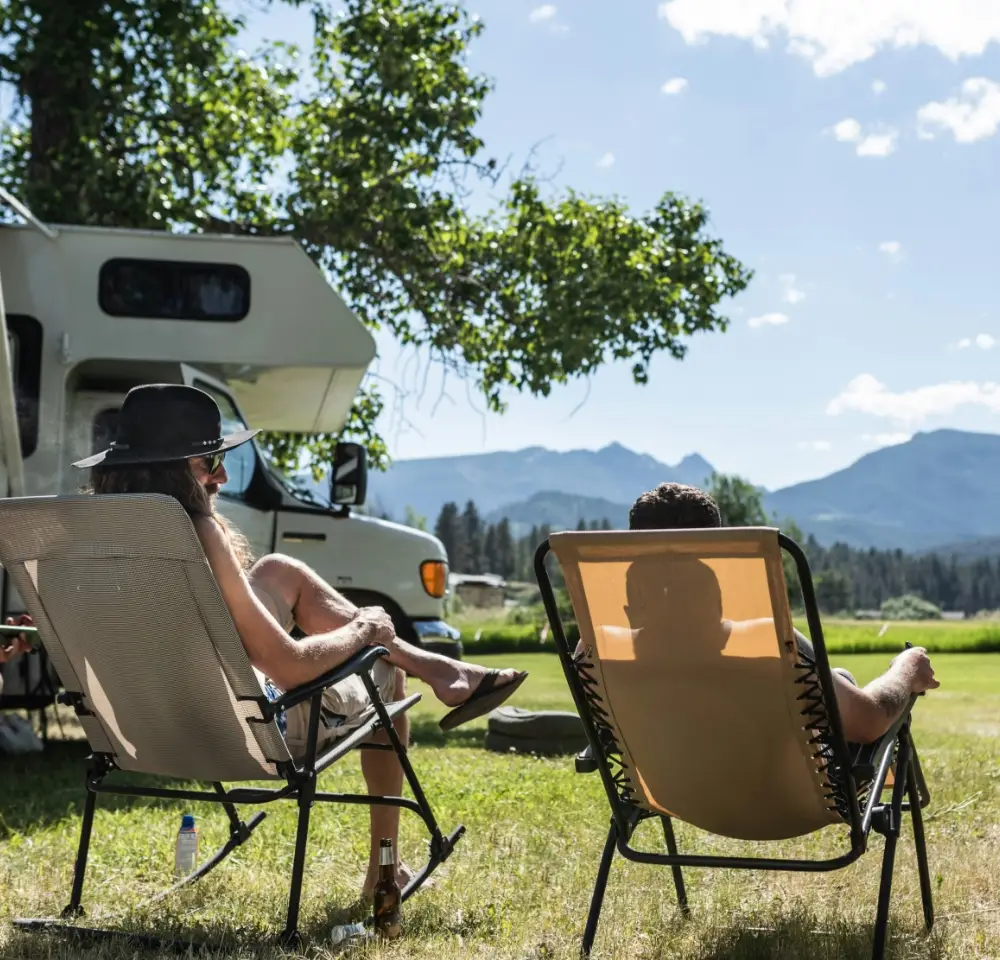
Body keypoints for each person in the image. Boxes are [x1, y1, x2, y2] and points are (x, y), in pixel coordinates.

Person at [13, 383, 527, 900]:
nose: (220, 477)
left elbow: (124, 632)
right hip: (236, 730)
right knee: (383, 670)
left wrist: (33, 631)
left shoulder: (75, 544)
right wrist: (365, 630)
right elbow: (290, 668)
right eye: (209, 460)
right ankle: (384, 871)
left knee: (279, 571)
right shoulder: (193, 534)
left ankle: (442, 672)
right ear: (168, 468)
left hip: (141, 728)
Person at [623, 482, 939, 745]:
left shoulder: (596, 652)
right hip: (780, 802)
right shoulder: (770, 643)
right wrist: (906, 669)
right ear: (715, 552)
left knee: (838, 679)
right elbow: (868, 722)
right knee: (838, 686)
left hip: (668, 791)